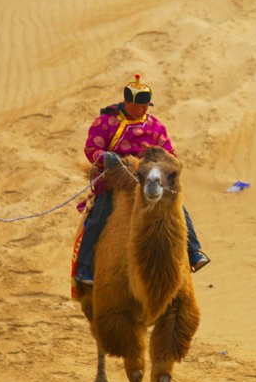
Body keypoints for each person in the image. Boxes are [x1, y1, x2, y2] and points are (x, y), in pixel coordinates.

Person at [73, 74, 209, 284]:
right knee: (100, 214)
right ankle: (86, 266)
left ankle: (194, 252)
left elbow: (168, 152)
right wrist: (105, 158)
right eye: (139, 105)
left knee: (178, 210)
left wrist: (166, 165)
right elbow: (92, 147)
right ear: (127, 103)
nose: (143, 109)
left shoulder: (155, 126)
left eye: (146, 105)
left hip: (150, 178)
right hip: (116, 179)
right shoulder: (107, 122)